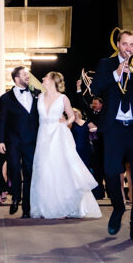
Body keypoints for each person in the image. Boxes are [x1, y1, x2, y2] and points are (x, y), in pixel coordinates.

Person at [90, 30, 133, 242]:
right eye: (125, 44)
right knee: (111, 172)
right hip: (114, 128)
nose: (128, 48)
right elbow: (95, 88)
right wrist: (116, 73)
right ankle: (118, 208)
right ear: (118, 45)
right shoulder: (106, 64)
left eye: (132, 45)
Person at [30, 72, 102, 219]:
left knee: (60, 168)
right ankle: (46, 206)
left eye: (45, 77)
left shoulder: (63, 98)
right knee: (44, 169)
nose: (42, 78)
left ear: (51, 80)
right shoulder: (39, 97)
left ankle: (65, 205)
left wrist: (66, 122)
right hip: (43, 135)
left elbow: (71, 116)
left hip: (59, 135)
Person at [0, 66, 40, 217]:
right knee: (14, 170)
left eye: (27, 74)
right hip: (13, 141)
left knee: (29, 173)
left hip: (32, 141)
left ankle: (26, 208)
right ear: (16, 79)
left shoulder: (37, 94)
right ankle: (16, 197)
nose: (27, 76)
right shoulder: (5, 98)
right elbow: (2, 121)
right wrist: (0, 140)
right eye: (24, 74)